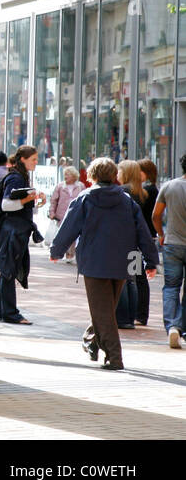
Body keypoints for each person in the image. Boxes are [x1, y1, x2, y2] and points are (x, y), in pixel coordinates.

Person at [50, 157, 159, 371]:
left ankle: (114, 357)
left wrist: (56, 251)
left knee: (103, 311)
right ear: (113, 175)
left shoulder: (85, 198)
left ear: (92, 175)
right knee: (106, 309)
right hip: (122, 262)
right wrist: (151, 260)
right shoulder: (127, 200)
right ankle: (91, 341)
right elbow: (143, 232)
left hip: (94, 262)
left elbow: (69, 227)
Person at [0, 145, 46, 325]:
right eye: (34, 159)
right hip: (14, 230)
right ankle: (9, 312)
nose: (36, 163)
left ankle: (4, 311)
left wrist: (33, 199)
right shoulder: (16, 177)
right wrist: (28, 199)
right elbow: (6, 205)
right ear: (23, 159)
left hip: (15, 229)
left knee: (8, 270)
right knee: (9, 270)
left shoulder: (19, 175)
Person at [153, 153, 186, 348]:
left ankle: (173, 326)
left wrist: (161, 234)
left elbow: (156, 215)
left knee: (171, 287)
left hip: (172, 244)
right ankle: (184, 327)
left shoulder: (170, 186)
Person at [115, 160, 151, 328]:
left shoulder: (122, 192)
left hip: (124, 242)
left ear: (126, 173)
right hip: (137, 242)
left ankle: (125, 317)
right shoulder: (143, 193)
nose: (117, 175)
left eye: (119, 171)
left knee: (125, 279)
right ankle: (139, 315)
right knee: (136, 279)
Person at [47, 165, 84, 262]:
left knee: (73, 235)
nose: (66, 176)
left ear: (74, 175)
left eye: (68, 174)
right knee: (63, 234)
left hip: (76, 214)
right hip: (61, 215)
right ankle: (66, 254)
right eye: (65, 174)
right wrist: (52, 212)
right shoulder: (60, 186)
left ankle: (71, 254)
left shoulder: (80, 186)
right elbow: (53, 200)